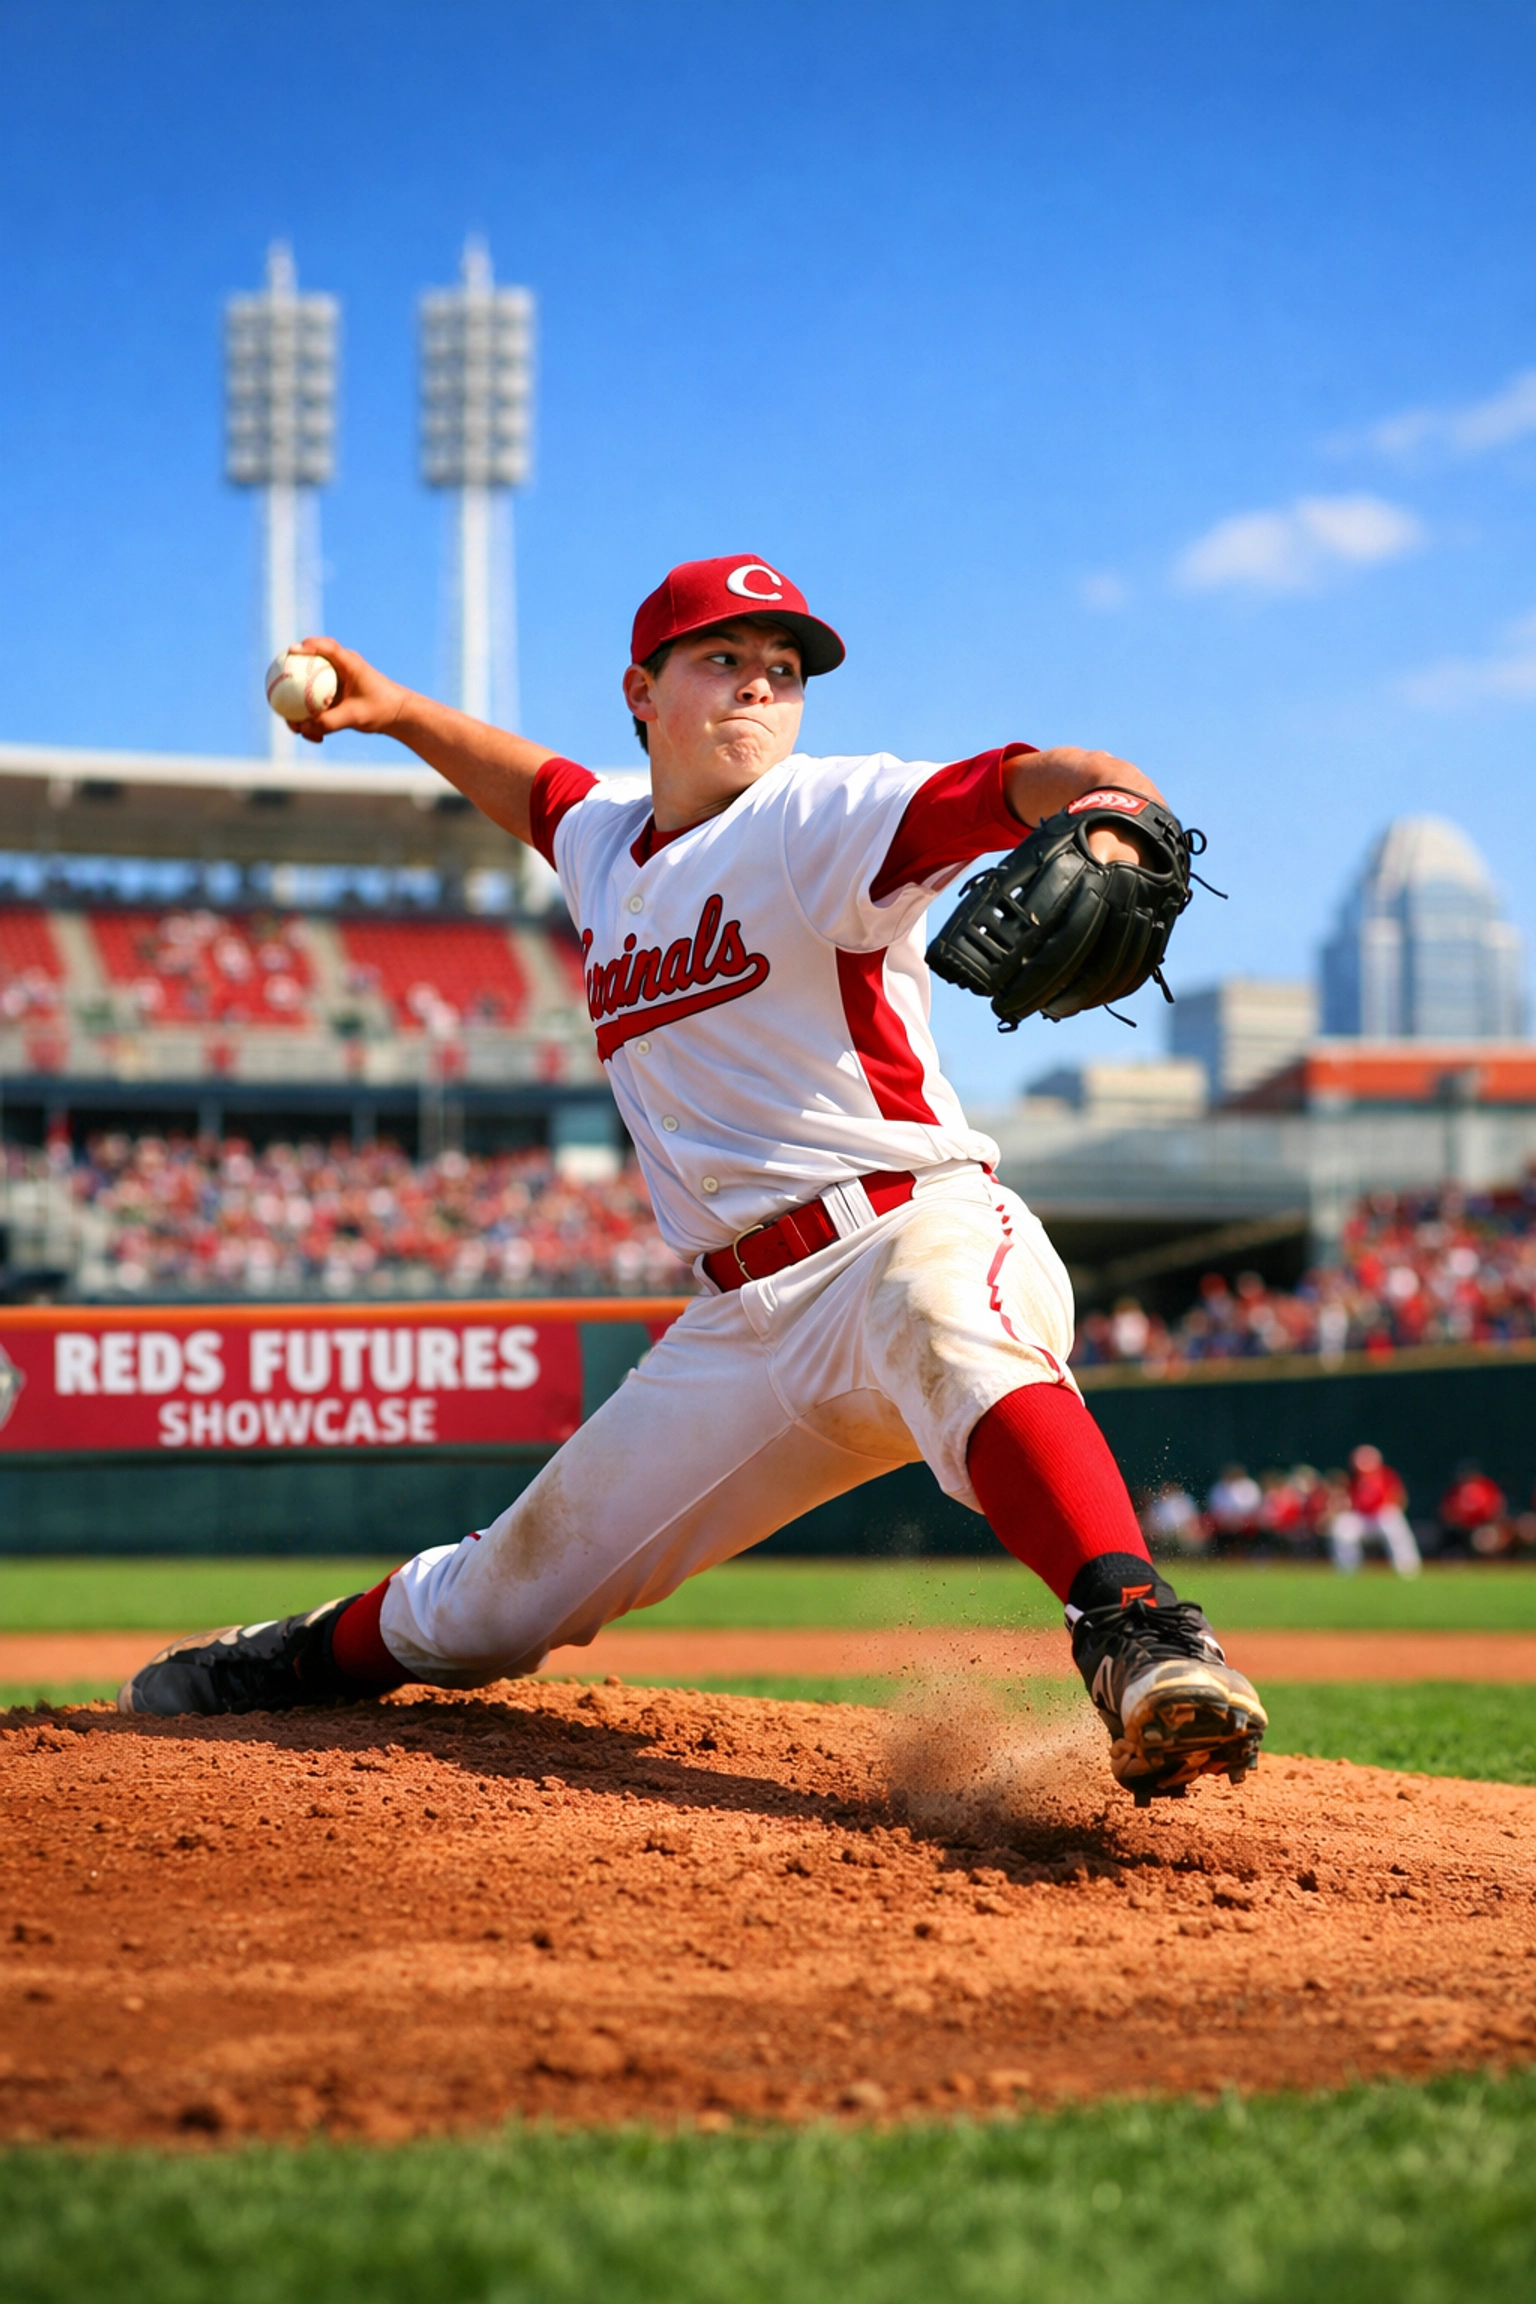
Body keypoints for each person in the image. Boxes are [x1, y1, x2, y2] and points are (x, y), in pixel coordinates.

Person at [118, 555, 1266, 1804]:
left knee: (953, 1331)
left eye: (785, 672)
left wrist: (1114, 818)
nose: (760, 690)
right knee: (497, 1604)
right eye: (724, 660)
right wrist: (395, 713)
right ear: (643, 691)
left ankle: (1145, 1640)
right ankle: (286, 1656)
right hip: (739, 1324)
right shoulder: (606, 840)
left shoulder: (824, 815)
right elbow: (535, 789)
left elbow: (1037, 777)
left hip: (904, 1232)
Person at [1329, 1443, 1421, 1577]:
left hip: (1380, 1517)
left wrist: (1389, 1507)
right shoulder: (1353, 1477)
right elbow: (1346, 1502)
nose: (1363, 1462)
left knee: (1393, 1517)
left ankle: (1407, 1568)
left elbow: (1399, 1497)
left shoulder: (1386, 1474)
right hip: (1363, 1519)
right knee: (1342, 1525)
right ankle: (1348, 1569)